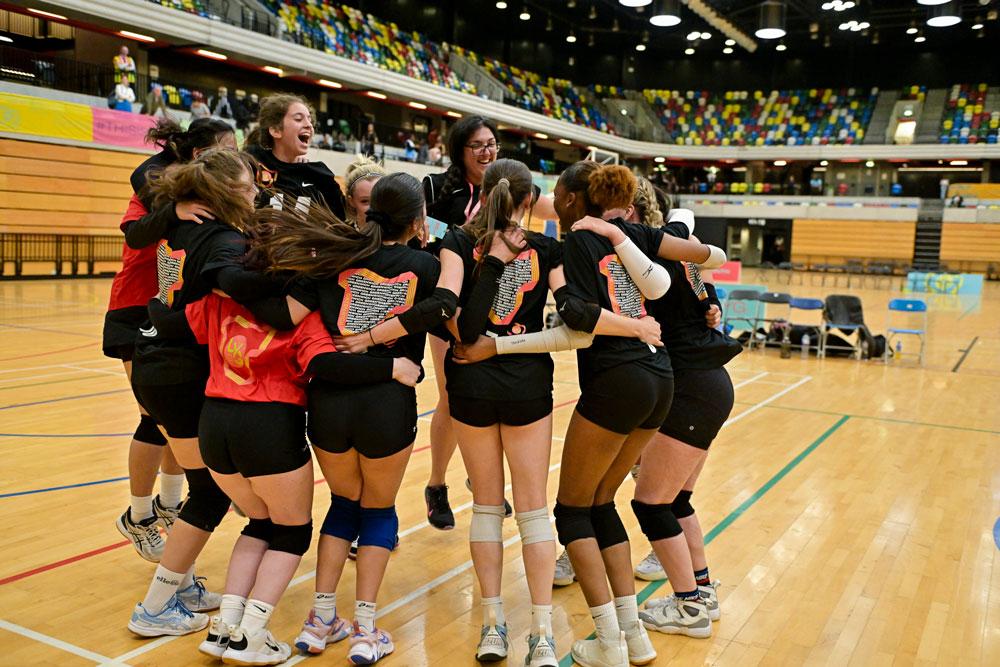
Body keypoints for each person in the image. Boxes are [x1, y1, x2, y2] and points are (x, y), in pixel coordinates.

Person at [250, 174, 449, 664]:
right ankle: (364, 629)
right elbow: (447, 308)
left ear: (368, 210)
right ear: (417, 218)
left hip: (330, 402)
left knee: (342, 506)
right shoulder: (426, 264)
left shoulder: (332, 258)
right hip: (387, 398)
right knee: (379, 512)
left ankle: (320, 621)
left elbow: (284, 313)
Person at [549, 162, 726, 667]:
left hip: (620, 378)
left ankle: (609, 639)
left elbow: (577, 317)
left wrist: (502, 348)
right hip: (663, 377)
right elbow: (705, 258)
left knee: (574, 510)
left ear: (572, 199)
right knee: (605, 503)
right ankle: (635, 635)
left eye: (558, 193)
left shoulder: (573, 244)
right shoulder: (639, 236)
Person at [126, 150, 286, 638]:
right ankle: (155, 607)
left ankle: (184, 587)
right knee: (211, 492)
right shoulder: (220, 236)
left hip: (154, 358)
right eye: (245, 187)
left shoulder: (182, 226)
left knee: (203, 485)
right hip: (176, 369)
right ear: (222, 193)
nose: (255, 193)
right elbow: (226, 277)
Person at [106, 118, 237, 563]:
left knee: (178, 422)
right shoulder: (156, 188)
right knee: (154, 420)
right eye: (227, 150)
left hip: (172, 314)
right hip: (135, 309)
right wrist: (170, 212)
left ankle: (167, 504)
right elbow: (135, 233)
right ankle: (139, 517)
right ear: (201, 156)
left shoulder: (207, 203)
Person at [244, 94, 346, 221]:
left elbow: (341, 223)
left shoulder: (319, 176)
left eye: (310, 120)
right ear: (276, 130)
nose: (309, 125)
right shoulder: (251, 163)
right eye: (298, 119)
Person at [343, 155, 386, 229]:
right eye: (365, 201)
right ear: (351, 201)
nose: (375, 208)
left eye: (380, 199)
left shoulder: (405, 236)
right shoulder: (339, 236)